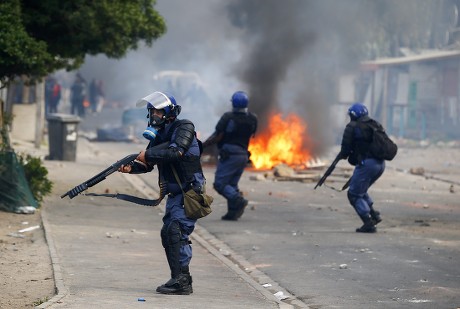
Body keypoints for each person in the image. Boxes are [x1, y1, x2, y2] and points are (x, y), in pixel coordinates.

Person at [118, 91, 205, 295]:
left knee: (176, 231)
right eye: (152, 111)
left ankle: (182, 281)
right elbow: (149, 163)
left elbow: (176, 152)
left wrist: (146, 154)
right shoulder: (159, 136)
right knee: (168, 233)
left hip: (190, 192)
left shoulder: (185, 126)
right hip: (176, 196)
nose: (154, 115)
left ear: (168, 112)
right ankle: (179, 278)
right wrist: (133, 168)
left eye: (157, 110)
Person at [202, 91, 258, 221]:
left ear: (233, 103)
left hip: (230, 155)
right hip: (243, 156)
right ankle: (232, 213)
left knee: (220, 184)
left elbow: (217, 136)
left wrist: (202, 146)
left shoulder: (228, 117)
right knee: (232, 185)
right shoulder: (253, 118)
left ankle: (238, 200)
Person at [338, 102, 385, 233]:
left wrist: (346, 155)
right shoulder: (373, 124)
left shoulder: (352, 126)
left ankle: (368, 222)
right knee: (360, 190)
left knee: (353, 194)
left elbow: (345, 150)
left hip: (367, 165)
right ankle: (374, 215)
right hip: (380, 164)